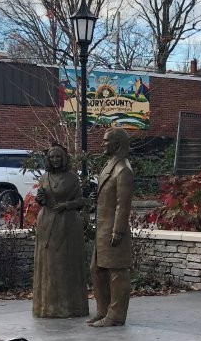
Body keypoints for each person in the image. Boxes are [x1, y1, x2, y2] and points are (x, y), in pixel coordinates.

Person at [32, 145, 89, 319]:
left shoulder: (72, 178)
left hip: (67, 224)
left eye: (58, 157)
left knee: (66, 264)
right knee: (48, 265)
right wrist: (40, 199)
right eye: (52, 157)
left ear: (64, 158)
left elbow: (81, 201)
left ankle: (69, 307)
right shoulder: (44, 177)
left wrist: (66, 205)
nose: (55, 160)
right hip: (46, 222)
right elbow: (42, 198)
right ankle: (46, 306)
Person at [88, 128, 134, 327]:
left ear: (117, 144)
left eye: (106, 141)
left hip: (113, 230)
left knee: (117, 273)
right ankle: (103, 310)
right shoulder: (110, 166)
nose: (102, 144)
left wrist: (118, 231)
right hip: (102, 229)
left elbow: (122, 205)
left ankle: (115, 315)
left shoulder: (123, 170)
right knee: (97, 270)